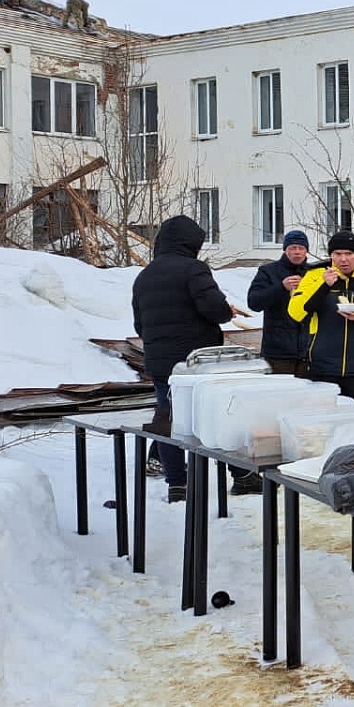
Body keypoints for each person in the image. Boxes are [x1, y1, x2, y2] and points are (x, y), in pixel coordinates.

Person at [131, 215, 236, 503]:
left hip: (161, 363)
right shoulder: (194, 270)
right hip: (196, 362)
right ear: (191, 244)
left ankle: (177, 482)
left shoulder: (144, 276)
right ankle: (242, 475)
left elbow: (139, 325)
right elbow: (215, 309)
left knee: (169, 419)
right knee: (216, 417)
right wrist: (226, 311)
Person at [287, 230, 354, 401]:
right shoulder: (315, 275)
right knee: (321, 423)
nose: (343, 259)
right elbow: (296, 313)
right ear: (331, 256)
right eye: (337, 254)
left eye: (349, 254)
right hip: (323, 368)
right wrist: (324, 285)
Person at [246, 229, 316, 376]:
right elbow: (254, 302)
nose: (297, 252)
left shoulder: (314, 273)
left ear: (306, 251)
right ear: (285, 250)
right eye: (292, 248)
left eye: (301, 248)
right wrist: (281, 287)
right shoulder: (268, 271)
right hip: (278, 352)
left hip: (309, 351)